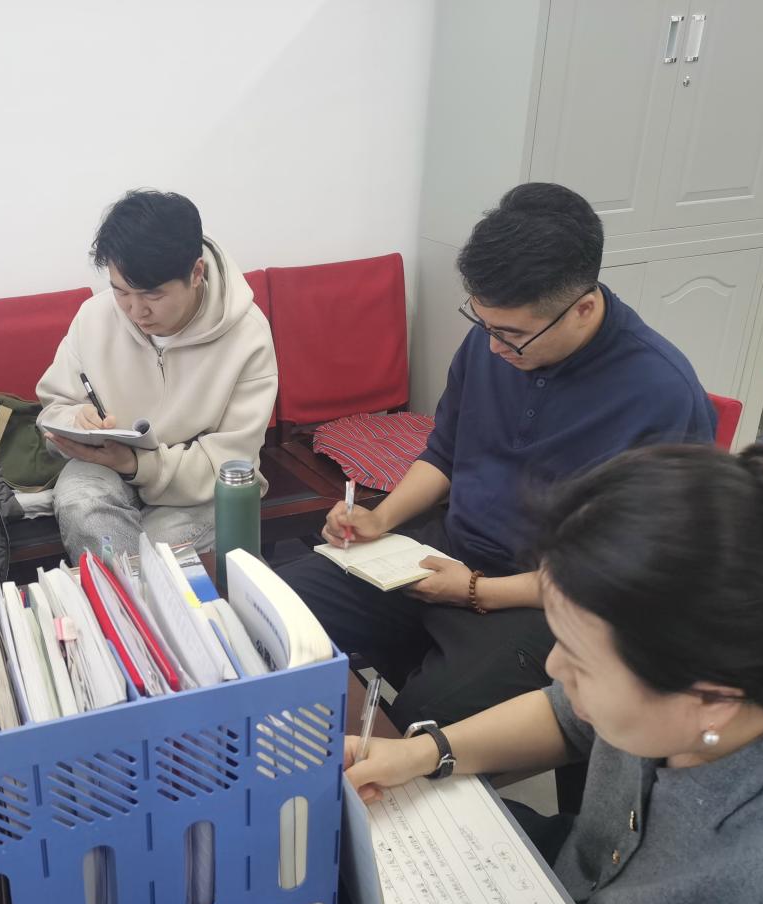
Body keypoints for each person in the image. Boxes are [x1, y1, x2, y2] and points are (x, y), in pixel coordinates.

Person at [345, 442, 763, 904]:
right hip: (567, 881)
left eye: (582, 662)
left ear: (713, 701)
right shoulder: (681, 684)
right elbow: (566, 715)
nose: (554, 667)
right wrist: (419, 753)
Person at [277, 182, 717, 729]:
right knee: (276, 608)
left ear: (582, 309)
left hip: (549, 601)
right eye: (483, 324)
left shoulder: (661, 395)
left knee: (422, 724)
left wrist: (475, 591)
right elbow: (444, 452)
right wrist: (379, 518)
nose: (493, 348)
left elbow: (627, 577)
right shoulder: (497, 341)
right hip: (447, 551)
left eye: (512, 335)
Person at [36, 189, 277, 561]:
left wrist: (137, 464)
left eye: (152, 295)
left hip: (198, 487)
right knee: (81, 502)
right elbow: (54, 409)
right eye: (121, 292)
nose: (136, 311)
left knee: (158, 550)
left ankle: (132, 592)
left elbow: (230, 462)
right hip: (107, 467)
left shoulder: (248, 336)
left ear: (196, 273)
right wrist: (76, 420)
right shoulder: (94, 317)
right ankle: (130, 594)